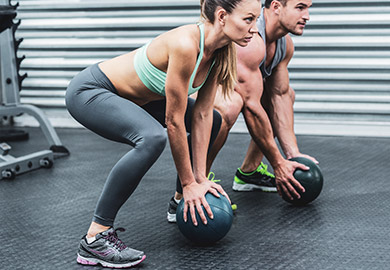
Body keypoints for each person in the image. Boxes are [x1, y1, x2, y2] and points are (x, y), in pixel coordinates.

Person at [65, 0, 261, 268]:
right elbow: (174, 121)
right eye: (248, 19)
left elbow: (202, 115)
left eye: (256, 20)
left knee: (214, 119)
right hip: (92, 91)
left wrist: (199, 179)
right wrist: (190, 181)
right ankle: (95, 237)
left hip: (141, 99)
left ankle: (179, 202)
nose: (254, 28)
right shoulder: (185, 44)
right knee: (152, 138)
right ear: (223, 16)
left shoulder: (221, 50)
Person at [166, 0, 317, 223]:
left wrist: (292, 155)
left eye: (308, 8)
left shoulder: (285, 45)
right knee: (231, 105)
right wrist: (278, 164)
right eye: (300, 7)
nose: (307, 16)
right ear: (276, 7)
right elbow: (251, 106)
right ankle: (192, 188)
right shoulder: (251, 41)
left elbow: (280, 96)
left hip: (237, 94)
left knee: (287, 94)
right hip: (196, 98)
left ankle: (249, 173)